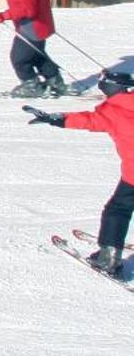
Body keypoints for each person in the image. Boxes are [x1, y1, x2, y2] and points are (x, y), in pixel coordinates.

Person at [28, 69, 134, 276]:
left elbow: (87, 120)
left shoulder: (111, 112)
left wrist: (55, 118)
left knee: (118, 209)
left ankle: (108, 258)